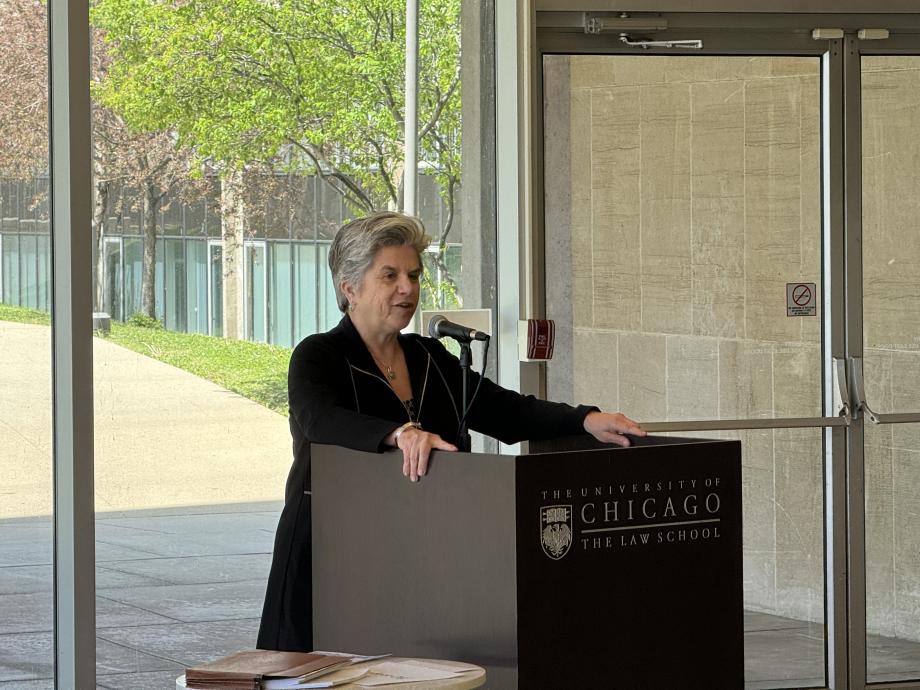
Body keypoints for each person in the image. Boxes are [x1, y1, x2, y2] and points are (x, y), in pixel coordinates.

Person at [257, 211, 645, 652]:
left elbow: (503, 410)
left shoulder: (428, 356)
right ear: (350, 288)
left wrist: (583, 420)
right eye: (390, 275)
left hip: (417, 541)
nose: (408, 288)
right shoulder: (318, 356)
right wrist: (400, 433)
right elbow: (320, 419)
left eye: (414, 275)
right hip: (331, 545)